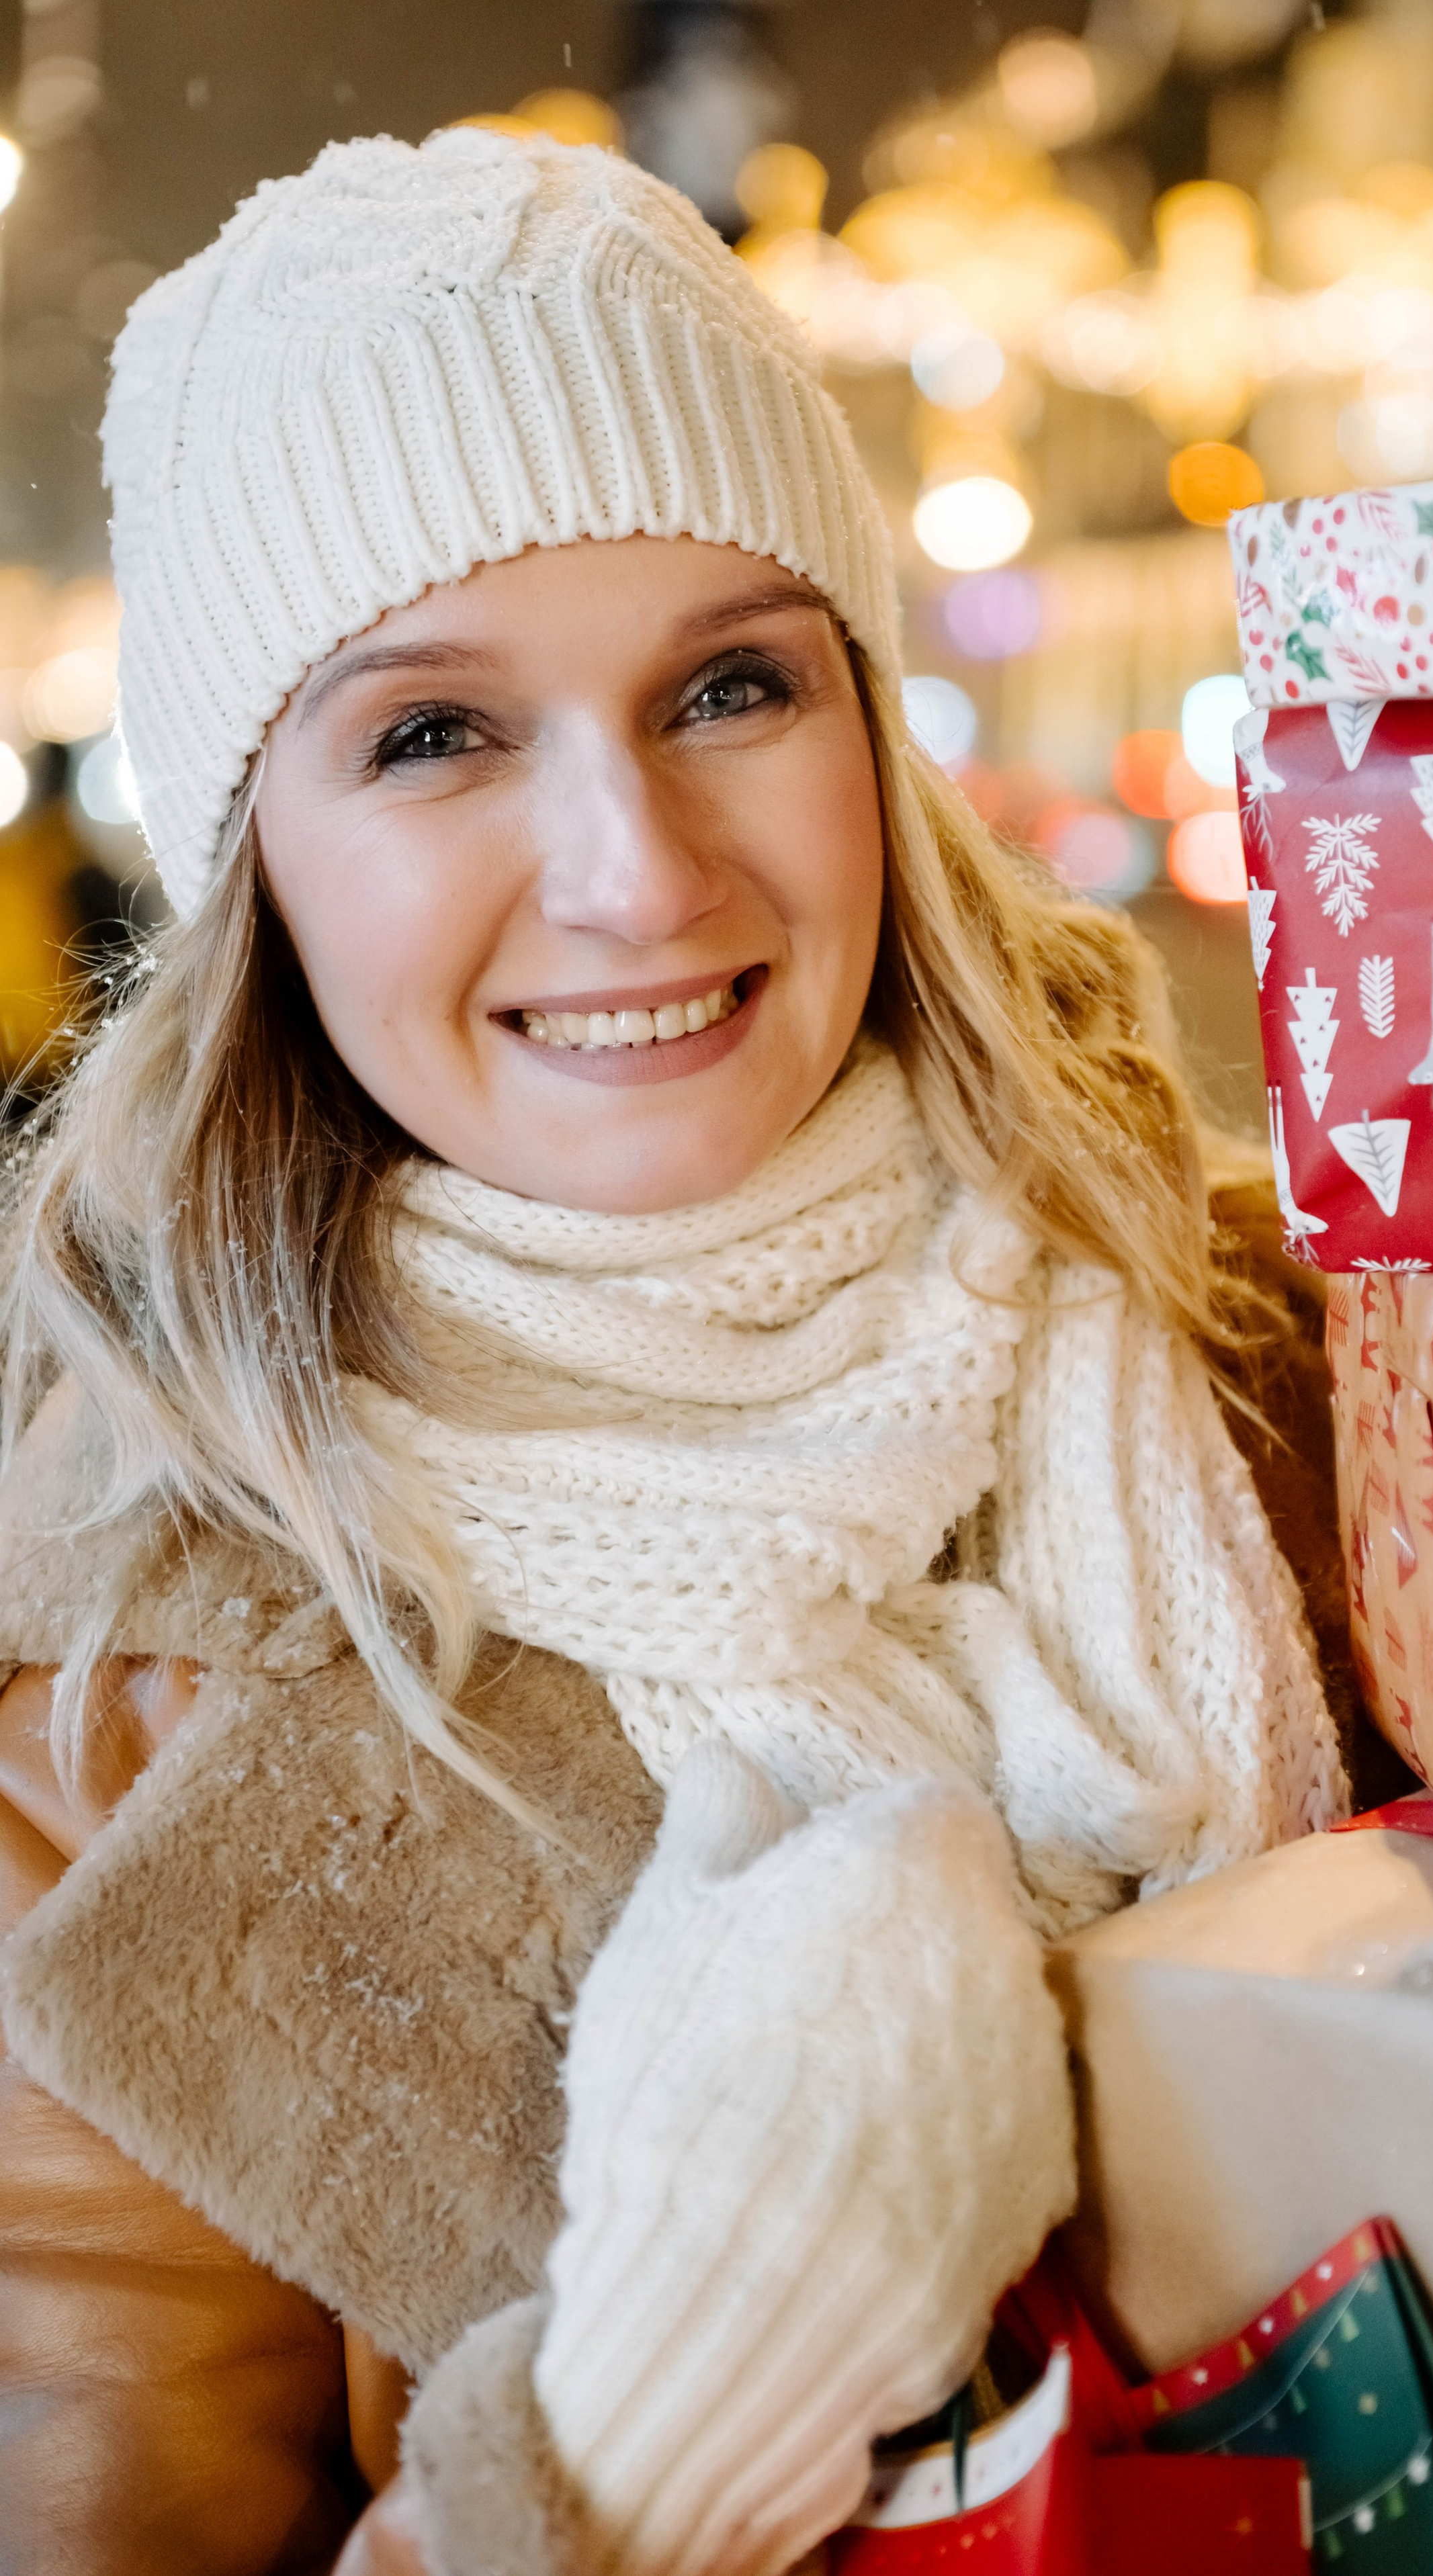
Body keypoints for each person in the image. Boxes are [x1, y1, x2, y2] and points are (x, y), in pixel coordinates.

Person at [0, 130, 1348, 2576]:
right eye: (433, 735)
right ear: (254, 863)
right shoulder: (98, 1722)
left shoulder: (1327, 1378)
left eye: (732, 686)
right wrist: (639, 2445)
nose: (636, 871)